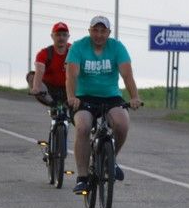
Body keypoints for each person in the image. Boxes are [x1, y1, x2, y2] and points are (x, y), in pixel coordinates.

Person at [65, 15, 142, 195]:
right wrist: (71, 97)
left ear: (109, 32)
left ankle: (110, 159)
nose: (99, 35)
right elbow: (71, 75)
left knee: (122, 124)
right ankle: (82, 177)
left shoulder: (116, 47)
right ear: (89, 31)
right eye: (95, 30)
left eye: (103, 31)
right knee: (83, 127)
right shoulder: (78, 47)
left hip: (110, 97)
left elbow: (127, 75)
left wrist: (135, 97)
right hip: (84, 97)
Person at [30, 22, 72, 108]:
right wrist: (36, 87)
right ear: (52, 36)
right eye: (58, 35)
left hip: (69, 88)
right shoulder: (44, 53)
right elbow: (40, 70)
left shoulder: (74, 50)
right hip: (49, 90)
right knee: (31, 76)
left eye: (64, 35)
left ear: (68, 36)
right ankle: (53, 104)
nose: (61, 38)